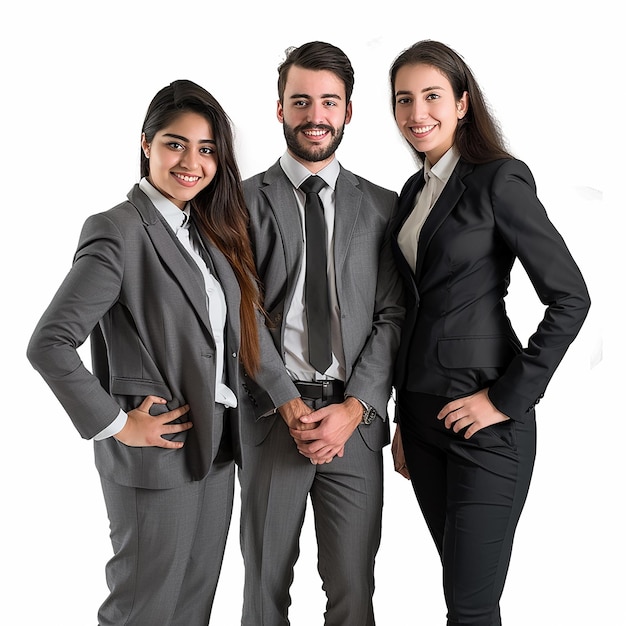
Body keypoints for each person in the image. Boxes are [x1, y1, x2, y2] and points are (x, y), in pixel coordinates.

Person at [26, 79, 299, 626]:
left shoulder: (207, 229)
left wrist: (289, 400)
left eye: (206, 149)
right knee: (144, 611)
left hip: (217, 447)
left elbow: (244, 330)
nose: (191, 162)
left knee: (191, 610)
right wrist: (115, 423)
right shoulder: (117, 230)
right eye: (176, 144)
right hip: (157, 452)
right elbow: (50, 343)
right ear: (146, 143)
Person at [388, 40, 591, 625]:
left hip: (487, 425)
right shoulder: (411, 195)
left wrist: (505, 399)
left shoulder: (499, 180)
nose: (416, 113)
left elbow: (570, 298)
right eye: (404, 100)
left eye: (431, 96)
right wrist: (404, 418)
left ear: (462, 102)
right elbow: (413, 309)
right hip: (423, 424)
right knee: (459, 595)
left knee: (471, 607)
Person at [238, 41, 405, 626]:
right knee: (263, 593)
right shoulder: (238, 203)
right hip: (270, 421)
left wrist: (356, 407)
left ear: (349, 112)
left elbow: (392, 316)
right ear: (279, 108)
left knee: (354, 594)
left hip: (352, 428)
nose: (315, 115)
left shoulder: (385, 208)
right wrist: (287, 404)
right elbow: (241, 314)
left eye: (328, 102)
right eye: (301, 101)